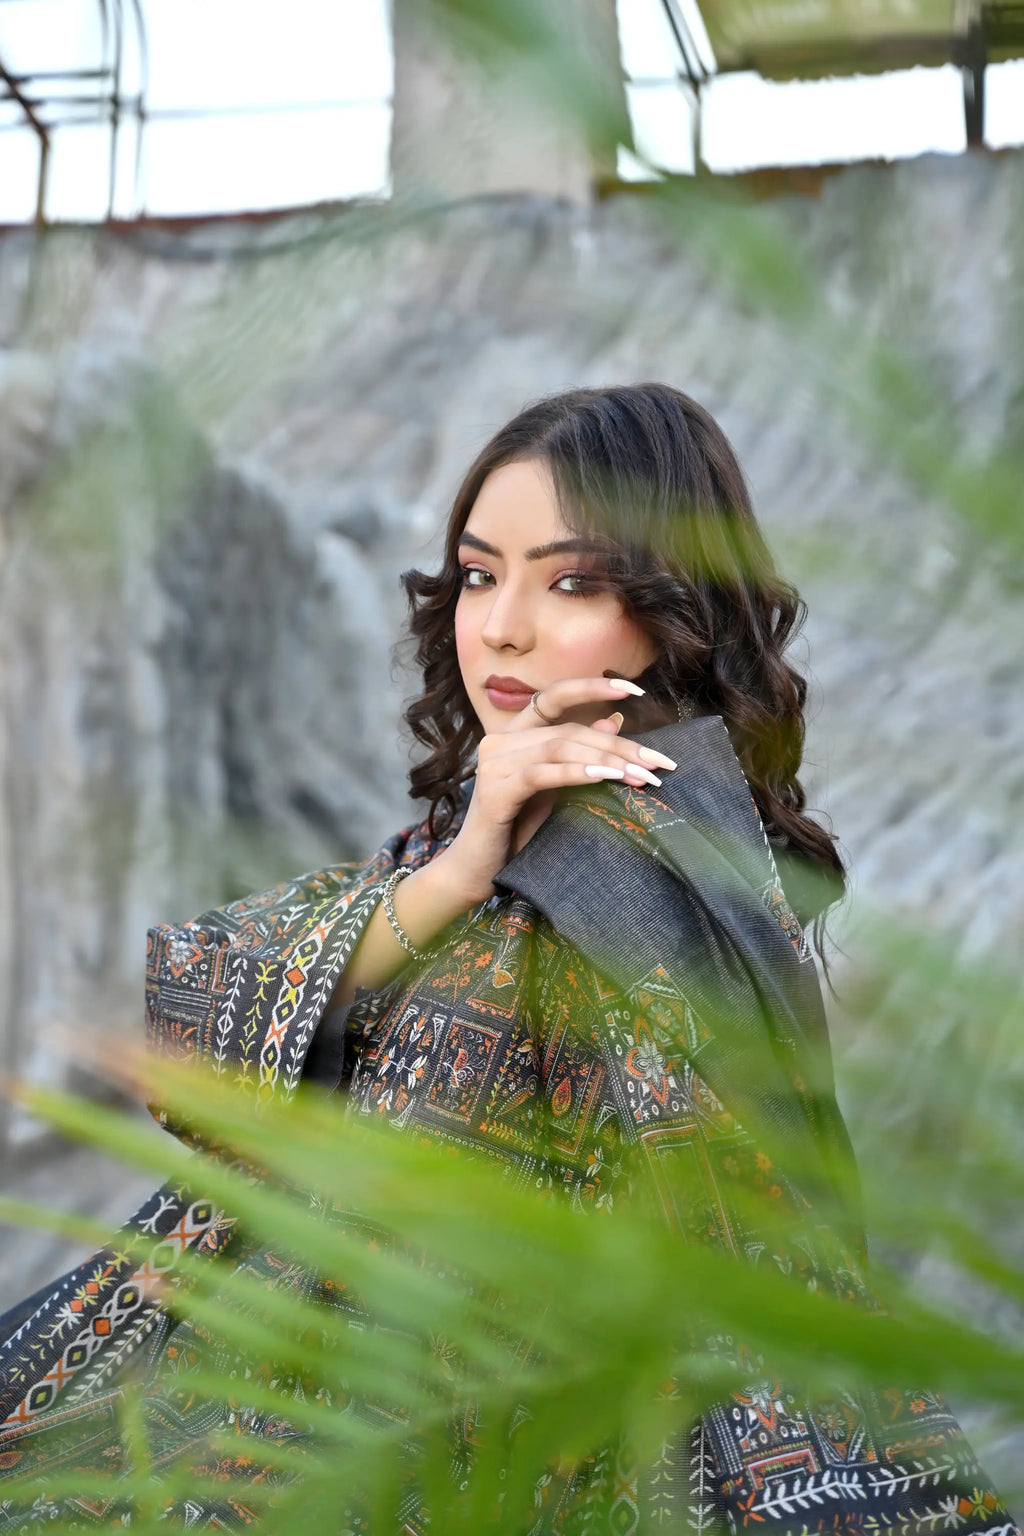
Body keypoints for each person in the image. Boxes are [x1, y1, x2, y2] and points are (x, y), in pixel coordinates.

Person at [0, 384, 1016, 1533]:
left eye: (572, 582)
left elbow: (710, 1239)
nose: (503, 626)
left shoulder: (643, 854)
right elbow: (198, 1012)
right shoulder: (489, 828)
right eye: (481, 575)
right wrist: (456, 869)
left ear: (670, 607)